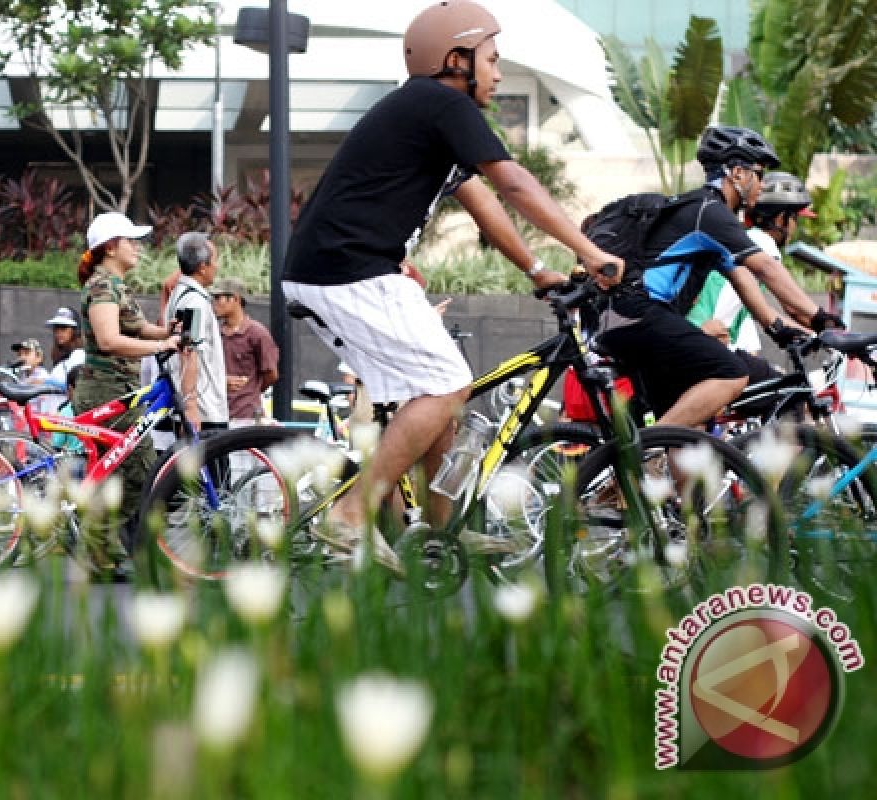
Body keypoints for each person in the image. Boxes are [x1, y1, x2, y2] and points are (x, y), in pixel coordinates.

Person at [281, 1, 623, 570]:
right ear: (456, 59)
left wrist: (537, 270)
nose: (498, 72)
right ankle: (350, 515)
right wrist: (588, 251)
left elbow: (483, 201)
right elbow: (511, 182)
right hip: (348, 268)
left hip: (341, 269)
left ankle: (442, 531)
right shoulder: (440, 101)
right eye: (492, 59)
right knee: (445, 386)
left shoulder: (426, 116)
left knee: (442, 402)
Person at [596, 126, 837, 428]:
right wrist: (824, 321)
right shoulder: (708, 211)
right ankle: (648, 447)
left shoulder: (713, 225)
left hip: (639, 323)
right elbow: (767, 269)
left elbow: (752, 294)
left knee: (690, 440)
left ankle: (634, 469)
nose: (761, 186)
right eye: (759, 174)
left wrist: (790, 330)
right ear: (737, 173)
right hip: (637, 316)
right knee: (732, 373)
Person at [76, 211, 181, 573]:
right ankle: (96, 550)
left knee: (123, 474)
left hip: (119, 390)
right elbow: (108, 340)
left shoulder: (116, 285)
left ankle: (101, 552)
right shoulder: (102, 286)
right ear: (109, 247)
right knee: (140, 471)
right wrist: (160, 345)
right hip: (106, 390)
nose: (137, 247)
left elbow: (140, 328)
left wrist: (170, 333)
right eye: (130, 240)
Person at [164, 232, 228, 436]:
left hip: (198, 406)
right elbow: (188, 350)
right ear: (202, 267)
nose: (216, 266)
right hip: (204, 411)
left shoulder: (180, 294)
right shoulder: (194, 303)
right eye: (214, 261)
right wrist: (190, 406)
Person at [212, 277, 279, 422]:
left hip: (247, 417)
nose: (214, 302)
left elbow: (271, 374)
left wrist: (249, 391)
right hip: (216, 415)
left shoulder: (257, 333)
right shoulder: (214, 333)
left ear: (235, 299)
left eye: (218, 297)